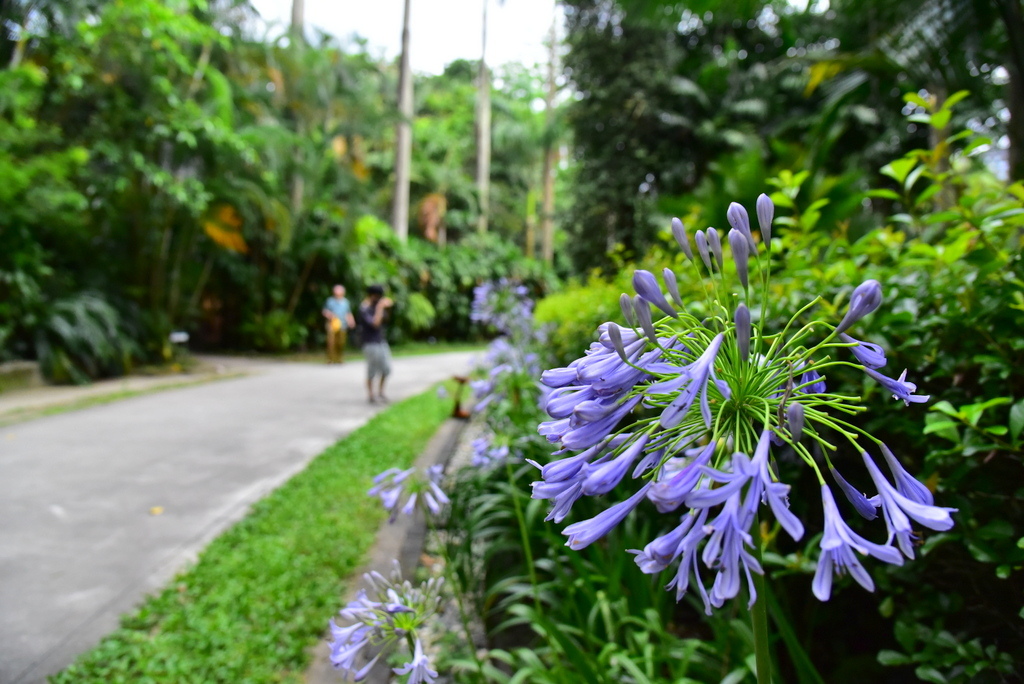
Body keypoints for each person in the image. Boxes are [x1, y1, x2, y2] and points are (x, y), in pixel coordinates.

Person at [359, 284, 394, 404]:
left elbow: (386, 320)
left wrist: (386, 307)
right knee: (372, 370)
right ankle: (371, 395)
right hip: (370, 343)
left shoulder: (376, 306)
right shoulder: (365, 308)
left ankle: (381, 393)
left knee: (386, 369)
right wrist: (380, 307)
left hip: (381, 341)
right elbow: (375, 324)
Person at [322, 284, 355, 364]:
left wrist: (351, 321)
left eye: (340, 290)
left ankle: (339, 359)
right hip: (332, 324)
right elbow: (324, 311)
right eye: (336, 290)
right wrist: (330, 315)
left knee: (341, 342)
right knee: (331, 342)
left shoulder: (345, 302)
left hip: (343, 324)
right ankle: (330, 359)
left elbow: (348, 313)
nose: (337, 292)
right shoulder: (330, 301)